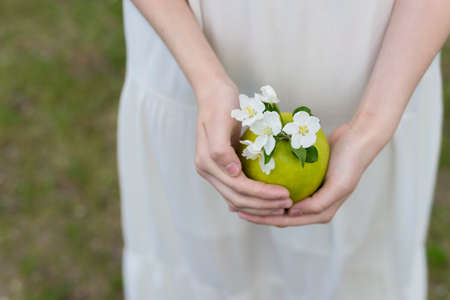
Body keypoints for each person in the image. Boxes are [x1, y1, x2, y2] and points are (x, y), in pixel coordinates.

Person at [117, 0, 450, 299]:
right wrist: (207, 81)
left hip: (385, 69)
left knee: (351, 275)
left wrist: (372, 123)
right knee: (202, 263)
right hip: (187, 57)